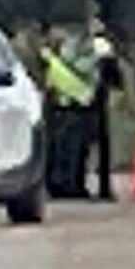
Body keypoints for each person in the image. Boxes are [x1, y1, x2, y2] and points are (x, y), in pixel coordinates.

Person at [69, 1, 134, 201]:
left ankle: (82, 184)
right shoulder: (98, 44)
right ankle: (99, 187)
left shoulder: (74, 42)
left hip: (82, 98)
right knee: (97, 146)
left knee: (86, 145)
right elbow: (112, 73)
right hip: (94, 98)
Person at [38, 24, 95, 200]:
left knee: (67, 150)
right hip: (70, 108)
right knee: (67, 150)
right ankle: (66, 185)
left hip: (68, 107)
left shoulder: (56, 60)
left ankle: (64, 184)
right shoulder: (57, 60)